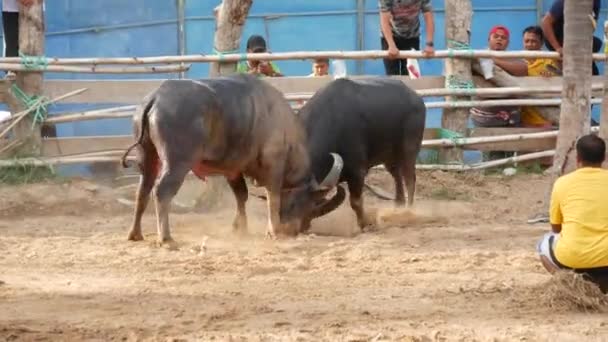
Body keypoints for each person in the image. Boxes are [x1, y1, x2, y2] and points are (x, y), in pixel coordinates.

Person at [537, 134, 608, 292]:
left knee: (543, 244)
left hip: (572, 259)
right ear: (604, 157)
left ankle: (568, 283)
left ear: (578, 158)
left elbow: (556, 228)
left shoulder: (562, 183)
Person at [470, 26, 527, 129]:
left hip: (511, 118)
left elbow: (523, 69)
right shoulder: (479, 56)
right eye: (496, 36)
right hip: (484, 118)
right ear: (489, 40)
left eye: (503, 37)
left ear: (508, 43)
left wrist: (495, 61)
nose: (499, 39)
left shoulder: (512, 57)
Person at [541, 0, 602, 75]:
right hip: (558, 37)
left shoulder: (596, 2)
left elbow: (592, 25)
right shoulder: (565, 2)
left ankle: (570, 69)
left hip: (578, 40)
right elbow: (545, 22)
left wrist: (583, 44)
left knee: (597, 43)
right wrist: (557, 47)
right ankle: (564, 68)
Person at [378, 0, 435, 76]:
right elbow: (384, 20)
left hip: (412, 36)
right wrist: (391, 45)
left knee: (411, 75)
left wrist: (429, 44)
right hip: (390, 35)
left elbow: (428, 17)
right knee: (392, 76)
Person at [520, 25, 561, 129]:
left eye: (533, 41)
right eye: (526, 41)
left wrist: (551, 77)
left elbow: (558, 80)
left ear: (541, 43)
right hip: (522, 116)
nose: (529, 44)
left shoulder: (549, 60)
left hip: (544, 116)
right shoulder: (517, 60)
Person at [2, 0, 34, 79]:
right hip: (11, 9)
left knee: (33, 47)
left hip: (35, 9)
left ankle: (32, 77)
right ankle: (12, 75)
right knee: (12, 46)